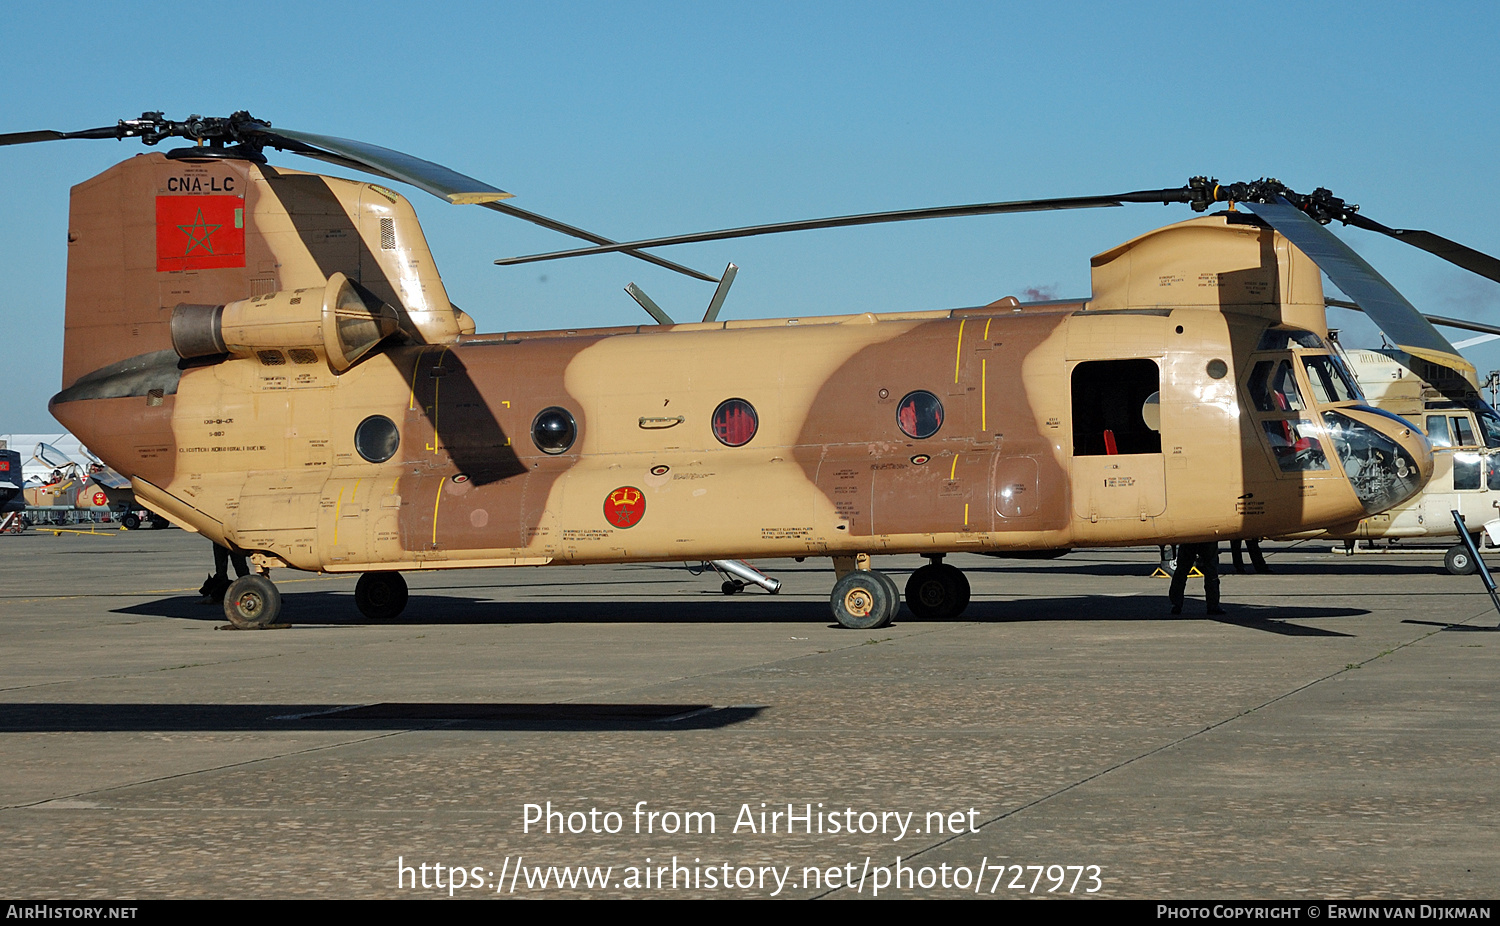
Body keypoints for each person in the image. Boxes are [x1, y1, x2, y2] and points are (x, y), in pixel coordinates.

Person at [1169, 541, 1224, 615]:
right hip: (1207, 537)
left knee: (1182, 570)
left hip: (1189, 536)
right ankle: (1213, 605)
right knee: (1211, 570)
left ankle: (1176, 604)